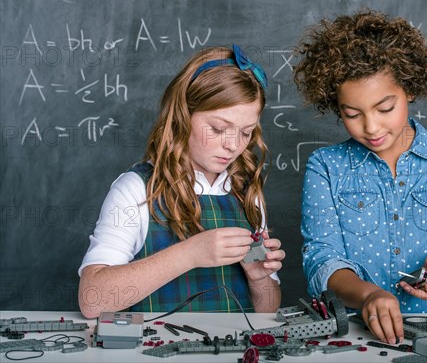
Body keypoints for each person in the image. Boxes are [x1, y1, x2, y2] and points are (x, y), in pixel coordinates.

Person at [293, 11, 427, 345]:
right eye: (352, 114)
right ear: (336, 107)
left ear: (408, 89)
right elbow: (321, 263)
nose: (371, 127)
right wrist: (368, 296)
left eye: (384, 108)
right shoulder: (326, 166)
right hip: (355, 340)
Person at [78, 45, 285, 319]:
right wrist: (191, 253)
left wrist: (260, 279)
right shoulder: (136, 189)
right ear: (183, 115)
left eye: (246, 132)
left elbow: (268, 310)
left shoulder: (247, 194)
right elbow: (92, 300)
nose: (233, 145)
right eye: (218, 129)